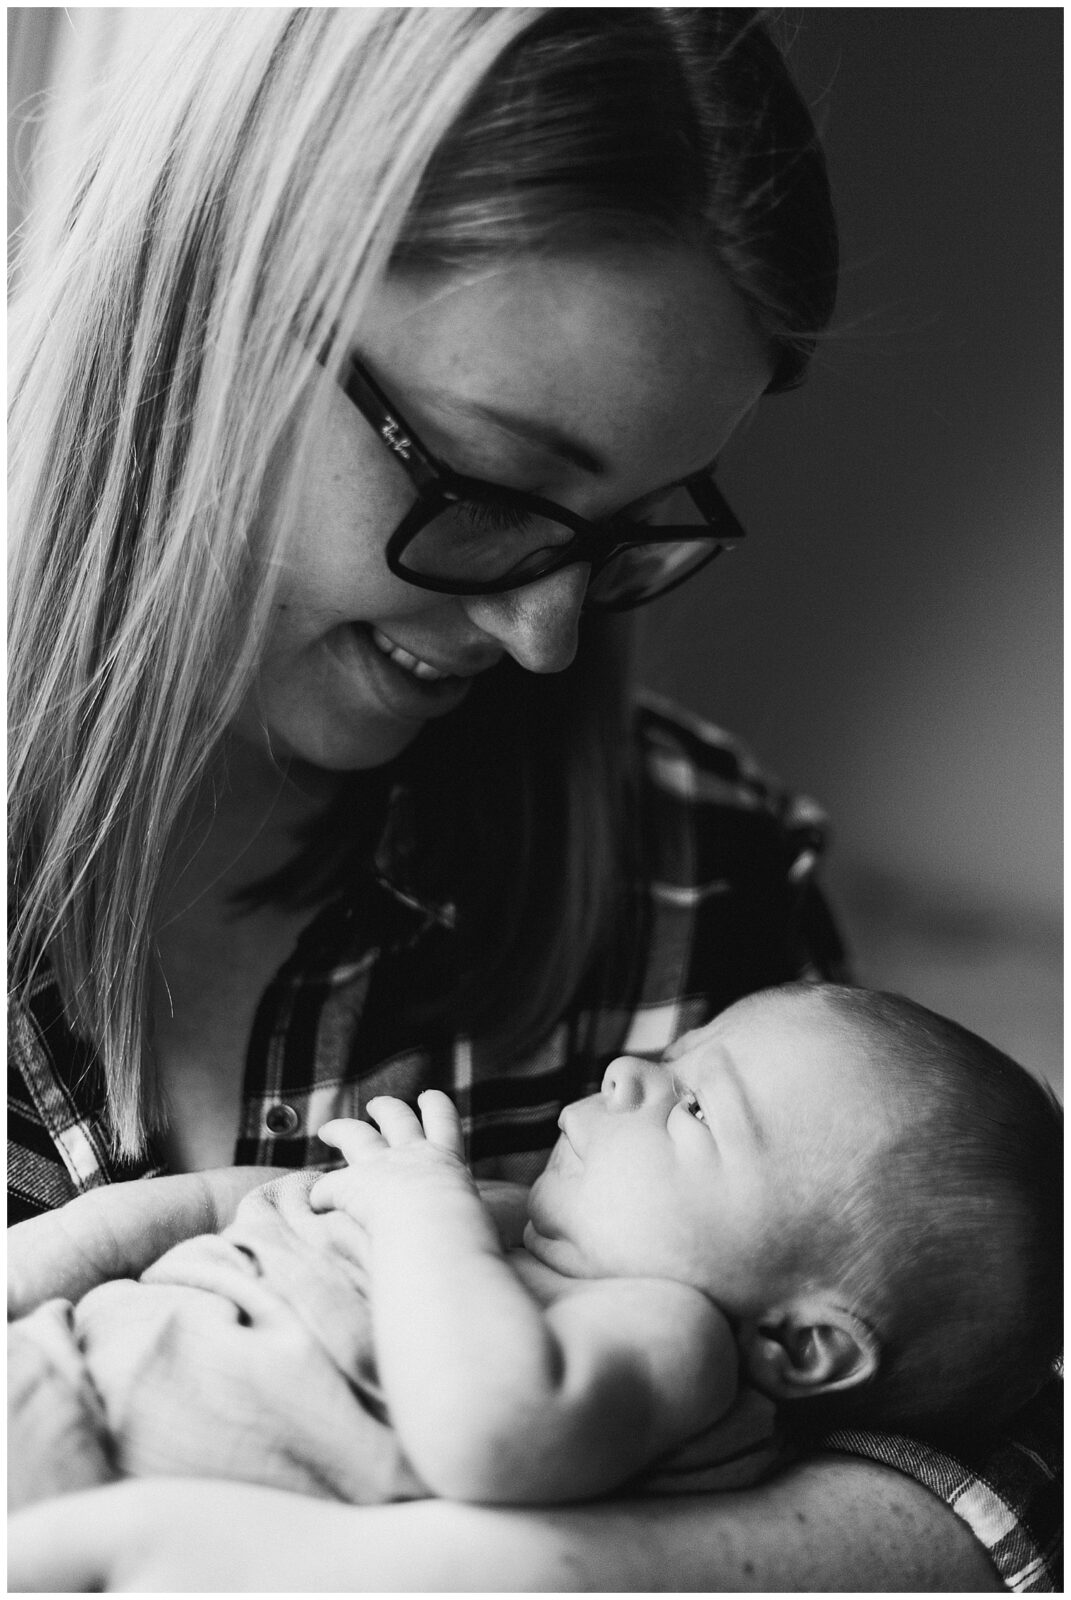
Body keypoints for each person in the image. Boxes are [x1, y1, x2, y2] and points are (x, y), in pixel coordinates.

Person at [6, 7, 1058, 1592]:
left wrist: (530, 1575)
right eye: (490, 489)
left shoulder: (688, 867)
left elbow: (979, 1440)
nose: (547, 631)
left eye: (630, 530)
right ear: (202, 302)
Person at [9, 983, 1062, 1516]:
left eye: (697, 1105)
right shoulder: (503, 1222)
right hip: (54, 1363)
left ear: (800, 1344)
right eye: (671, 1050)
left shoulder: (672, 1338)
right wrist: (40, 1268)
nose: (627, 1072)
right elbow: (210, 1204)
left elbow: (490, 1434)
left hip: (96, 1480)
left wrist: (423, 1205)